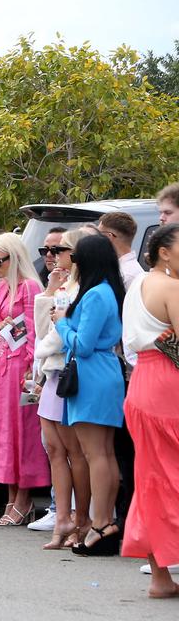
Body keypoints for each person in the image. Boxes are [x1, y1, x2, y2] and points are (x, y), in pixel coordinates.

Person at [55, 234, 126, 556]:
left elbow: (82, 344)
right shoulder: (108, 291)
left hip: (92, 373)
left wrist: (61, 325)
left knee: (96, 452)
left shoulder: (96, 294)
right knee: (104, 453)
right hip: (103, 371)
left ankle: (100, 522)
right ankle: (104, 521)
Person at [121, 224, 179, 597]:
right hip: (168, 385)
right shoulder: (171, 286)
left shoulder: (137, 286)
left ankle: (161, 577)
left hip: (143, 382)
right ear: (164, 252)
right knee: (170, 478)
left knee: (153, 479)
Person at [0, 233, 49, 525]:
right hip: (1, 365)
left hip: (21, 368)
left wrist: (32, 371)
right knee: (3, 431)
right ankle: (11, 497)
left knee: (22, 432)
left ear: (14, 258)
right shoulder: (5, 288)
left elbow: (35, 331)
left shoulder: (30, 287)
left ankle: (24, 499)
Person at [33, 226, 92, 547]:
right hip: (52, 372)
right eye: (52, 251)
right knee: (54, 449)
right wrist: (48, 293)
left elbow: (65, 332)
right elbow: (42, 331)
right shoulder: (62, 285)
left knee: (75, 451)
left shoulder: (89, 288)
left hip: (71, 372)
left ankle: (81, 520)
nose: (55, 257)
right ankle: (62, 518)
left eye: (63, 250)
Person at [98, 211, 144, 288]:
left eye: (98, 234)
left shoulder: (128, 275)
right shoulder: (121, 269)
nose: (95, 239)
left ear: (109, 237)